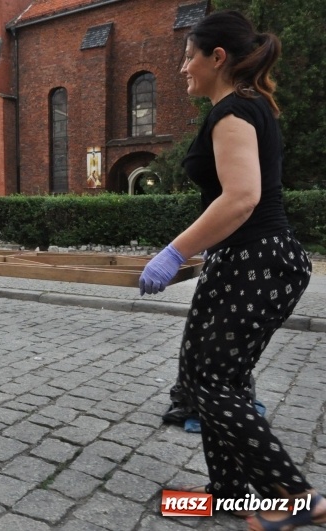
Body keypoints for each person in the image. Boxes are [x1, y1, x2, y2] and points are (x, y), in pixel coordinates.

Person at [138, 11, 324, 528]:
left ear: (217, 57)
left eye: (189, 55)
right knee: (211, 379)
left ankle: (292, 498)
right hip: (245, 261)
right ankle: (230, 493)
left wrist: (174, 251)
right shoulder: (243, 106)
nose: (182, 68)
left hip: (259, 262)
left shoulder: (233, 112)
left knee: (214, 382)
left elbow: (243, 197)